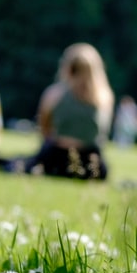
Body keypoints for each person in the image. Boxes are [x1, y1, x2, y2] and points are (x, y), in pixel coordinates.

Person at [27, 43, 114, 179]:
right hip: (90, 161)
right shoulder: (104, 97)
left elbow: (44, 130)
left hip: (56, 157)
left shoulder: (54, 94)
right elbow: (102, 135)